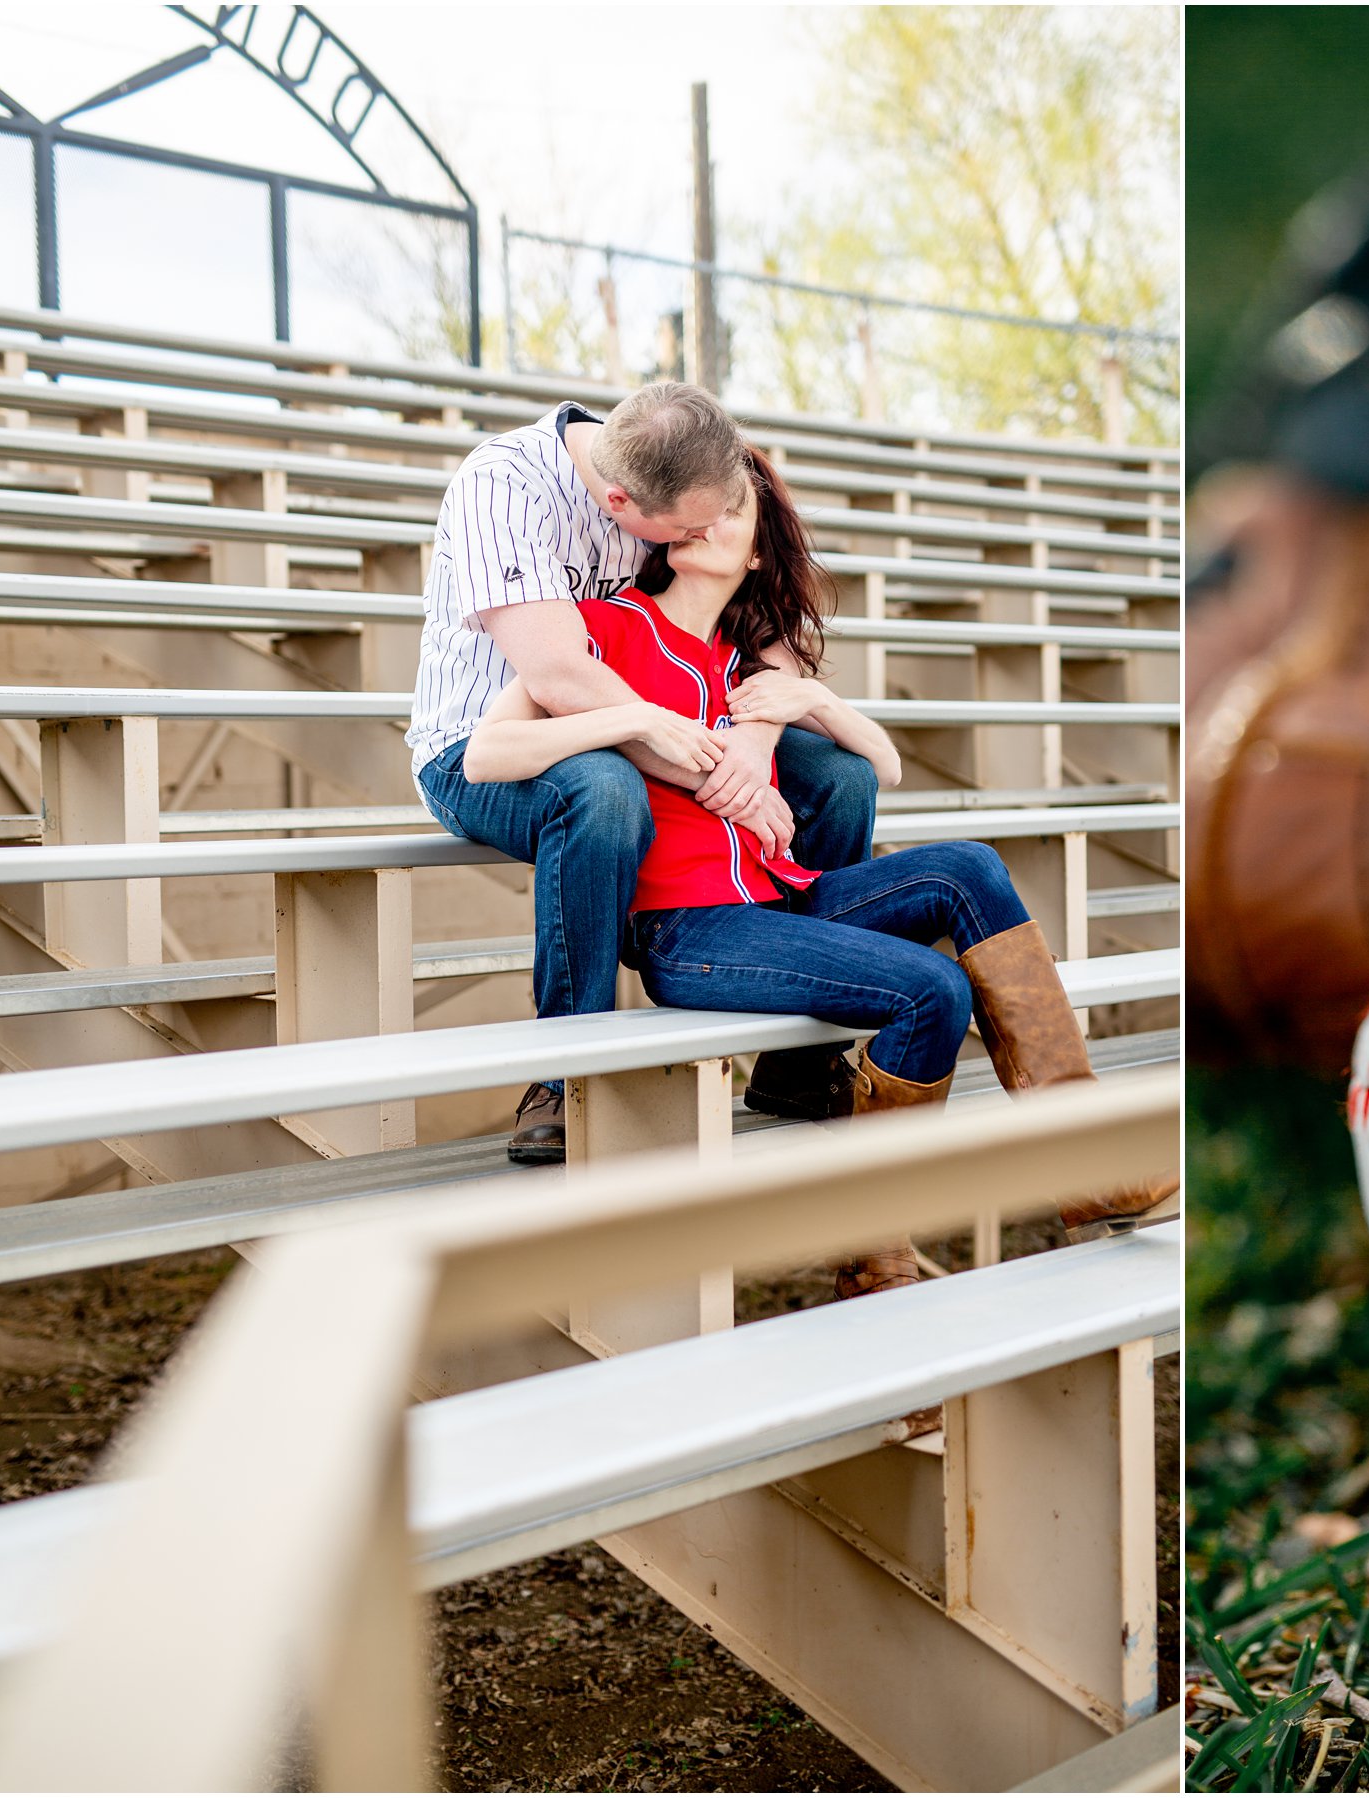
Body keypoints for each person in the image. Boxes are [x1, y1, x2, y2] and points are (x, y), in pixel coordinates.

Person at [460, 444, 1175, 1333]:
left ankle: (1085, 1161)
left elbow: (883, 764)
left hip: (779, 899)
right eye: (702, 510)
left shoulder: (746, 665)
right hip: (691, 930)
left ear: (757, 553)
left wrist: (811, 707)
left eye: (732, 515)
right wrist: (631, 718)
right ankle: (876, 1271)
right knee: (931, 992)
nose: (709, 521)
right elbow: (488, 757)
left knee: (972, 868)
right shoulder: (601, 629)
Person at [407, 383, 876, 1164]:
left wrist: (756, 742)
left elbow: (764, 614)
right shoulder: (504, 487)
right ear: (619, 505)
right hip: (493, 747)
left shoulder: (692, 461)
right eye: (690, 530)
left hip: (684, 724)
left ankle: (798, 1062)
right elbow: (560, 679)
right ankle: (563, 1074)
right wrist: (717, 780)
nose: (709, 534)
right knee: (603, 788)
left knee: (838, 776)